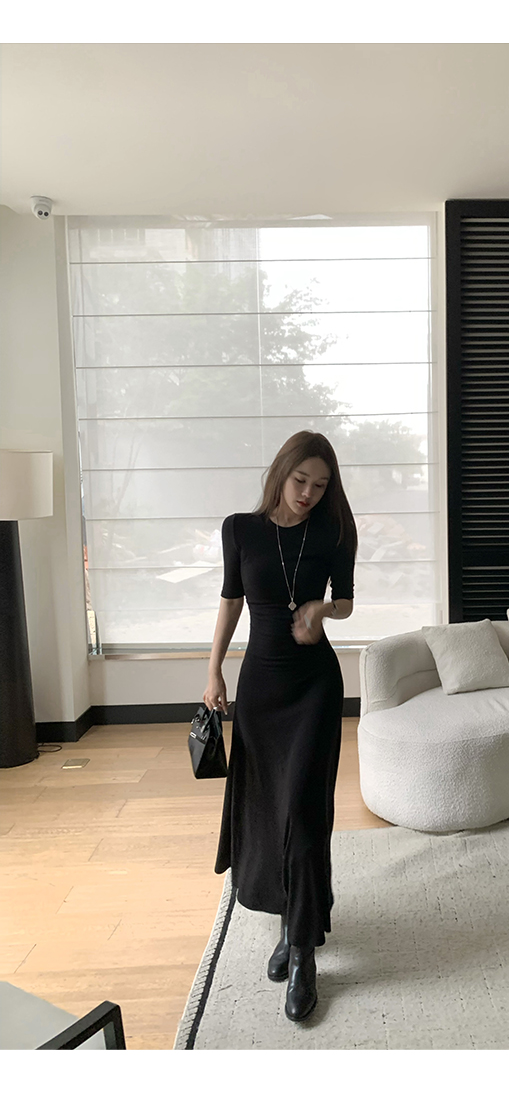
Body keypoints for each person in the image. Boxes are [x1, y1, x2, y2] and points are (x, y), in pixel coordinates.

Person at [204, 430, 356, 1025]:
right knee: (269, 811)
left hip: (314, 686)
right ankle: (292, 926)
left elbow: (345, 600)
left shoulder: (334, 530)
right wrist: (213, 670)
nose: (309, 493)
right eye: (300, 481)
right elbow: (230, 601)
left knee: (304, 813)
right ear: (280, 472)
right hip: (260, 690)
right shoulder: (239, 530)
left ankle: (303, 956)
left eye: (320, 485)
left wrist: (322, 608)